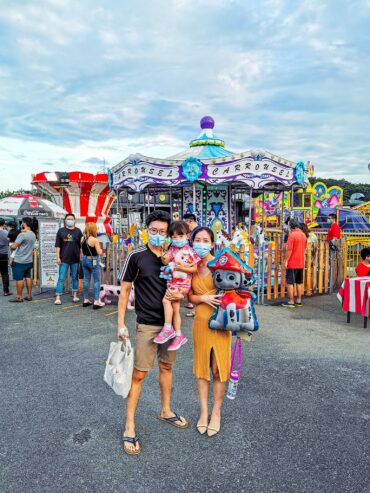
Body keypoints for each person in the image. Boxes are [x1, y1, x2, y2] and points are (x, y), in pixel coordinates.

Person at [117, 210, 188, 455]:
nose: (158, 235)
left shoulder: (175, 257)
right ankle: (129, 426)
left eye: (163, 232)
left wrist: (184, 296)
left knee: (167, 367)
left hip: (171, 326)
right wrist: (121, 324)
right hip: (147, 324)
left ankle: (165, 410)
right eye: (154, 231)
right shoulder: (136, 256)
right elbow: (125, 291)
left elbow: (186, 285)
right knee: (139, 375)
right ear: (146, 230)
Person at [188, 227, 230, 437]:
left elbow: (237, 289)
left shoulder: (221, 264)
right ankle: (204, 412)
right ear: (192, 241)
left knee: (218, 368)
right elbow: (189, 297)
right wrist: (202, 298)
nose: (201, 243)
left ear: (212, 244)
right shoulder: (191, 266)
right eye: (197, 239)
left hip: (221, 322)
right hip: (201, 322)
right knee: (202, 368)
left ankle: (216, 412)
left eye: (205, 240)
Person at [154, 220, 200, 351]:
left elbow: (195, 268)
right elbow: (166, 260)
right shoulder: (172, 248)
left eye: (180, 236)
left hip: (182, 284)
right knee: (175, 307)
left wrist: (183, 268)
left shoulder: (190, 250)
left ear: (187, 236)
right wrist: (164, 258)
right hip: (173, 282)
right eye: (174, 237)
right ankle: (179, 335)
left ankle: (168, 328)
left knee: (165, 300)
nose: (177, 239)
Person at [54, 213, 83, 305]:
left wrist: (81, 255)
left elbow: (81, 246)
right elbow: (58, 246)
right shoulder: (61, 231)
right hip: (64, 259)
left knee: (74, 277)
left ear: (74, 221)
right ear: (65, 220)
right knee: (61, 278)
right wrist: (57, 257)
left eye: (71, 219)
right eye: (68, 219)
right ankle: (58, 297)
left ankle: (75, 296)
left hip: (75, 258)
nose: (70, 220)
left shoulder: (78, 231)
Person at [9, 217, 36, 302]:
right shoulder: (33, 234)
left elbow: (13, 247)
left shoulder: (22, 235)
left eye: (22, 222)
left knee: (19, 279)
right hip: (29, 260)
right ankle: (29, 296)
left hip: (20, 260)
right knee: (28, 277)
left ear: (24, 223)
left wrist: (11, 246)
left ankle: (19, 297)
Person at [282, 219, 307, 308]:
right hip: (301, 261)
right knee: (299, 282)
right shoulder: (303, 235)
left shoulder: (292, 235)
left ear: (291, 226)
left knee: (290, 282)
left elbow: (289, 250)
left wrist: (286, 260)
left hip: (292, 262)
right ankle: (299, 300)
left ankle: (291, 301)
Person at [81, 222, 105, 309]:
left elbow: (82, 252)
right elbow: (99, 252)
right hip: (93, 260)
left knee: (86, 279)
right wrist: (102, 250)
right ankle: (96, 301)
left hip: (84, 260)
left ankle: (85, 299)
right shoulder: (94, 240)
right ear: (93, 229)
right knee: (96, 281)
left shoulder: (82, 239)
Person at [183, 213, 199, 317]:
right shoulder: (194, 231)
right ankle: (192, 304)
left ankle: (196, 309)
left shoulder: (198, 231)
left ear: (189, 221)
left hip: (196, 261)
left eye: (185, 223)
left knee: (196, 284)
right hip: (193, 260)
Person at [0, 218, 12, 296]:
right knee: (4, 273)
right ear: (3, 224)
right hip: (3, 254)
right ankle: (6, 291)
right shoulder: (6, 232)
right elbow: (9, 241)